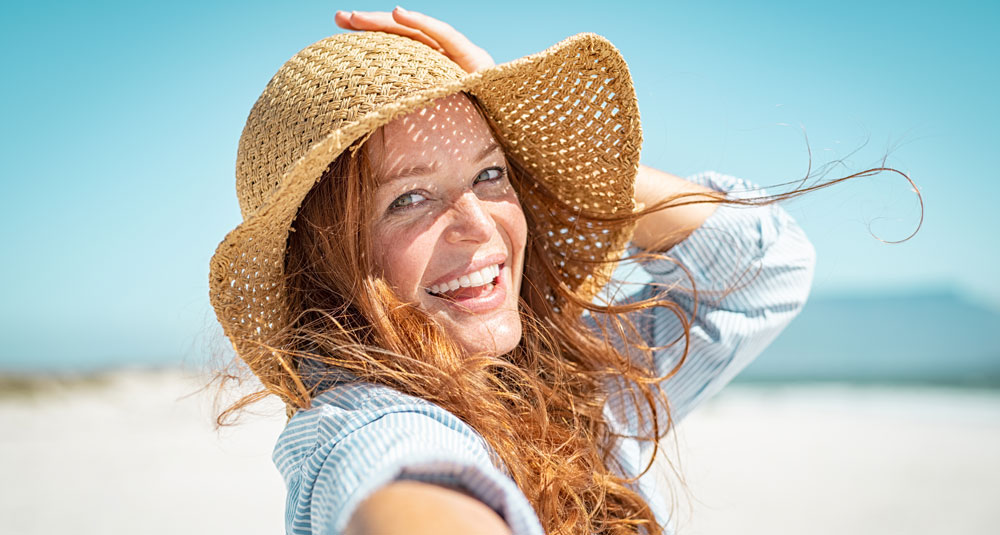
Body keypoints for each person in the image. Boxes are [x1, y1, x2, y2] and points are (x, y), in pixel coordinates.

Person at [209, 8, 820, 535]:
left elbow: (763, 265)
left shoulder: (572, 388)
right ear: (326, 260)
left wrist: (543, 156)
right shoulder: (362, 424)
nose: (479, 224)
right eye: (408, 198)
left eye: (490, 174)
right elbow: (404, 483)